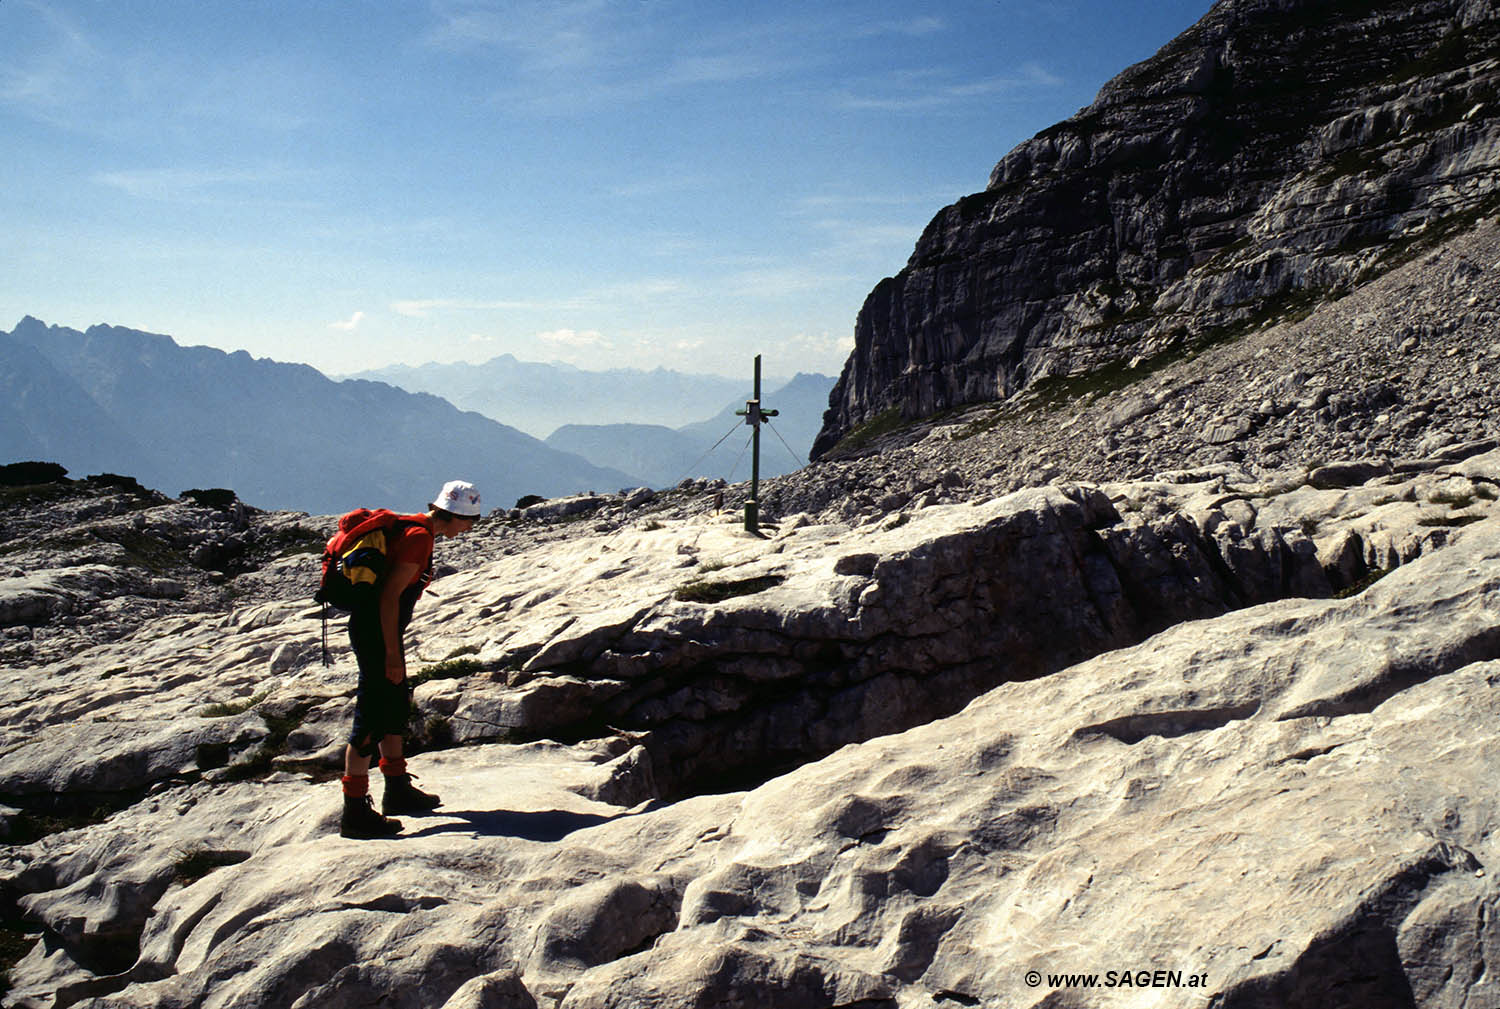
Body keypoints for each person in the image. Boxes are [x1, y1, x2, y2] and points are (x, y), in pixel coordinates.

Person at [339, 479, 482, 839]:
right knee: (370, 718)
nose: (468, 530)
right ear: (456, 516)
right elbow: (388, 598)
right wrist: (391, 654)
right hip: (377, 636)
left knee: (393, 705)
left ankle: (397, 788)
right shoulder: (419, 538)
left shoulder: (416, 529)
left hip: (379, 633)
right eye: (470, 521)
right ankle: (355, 813)